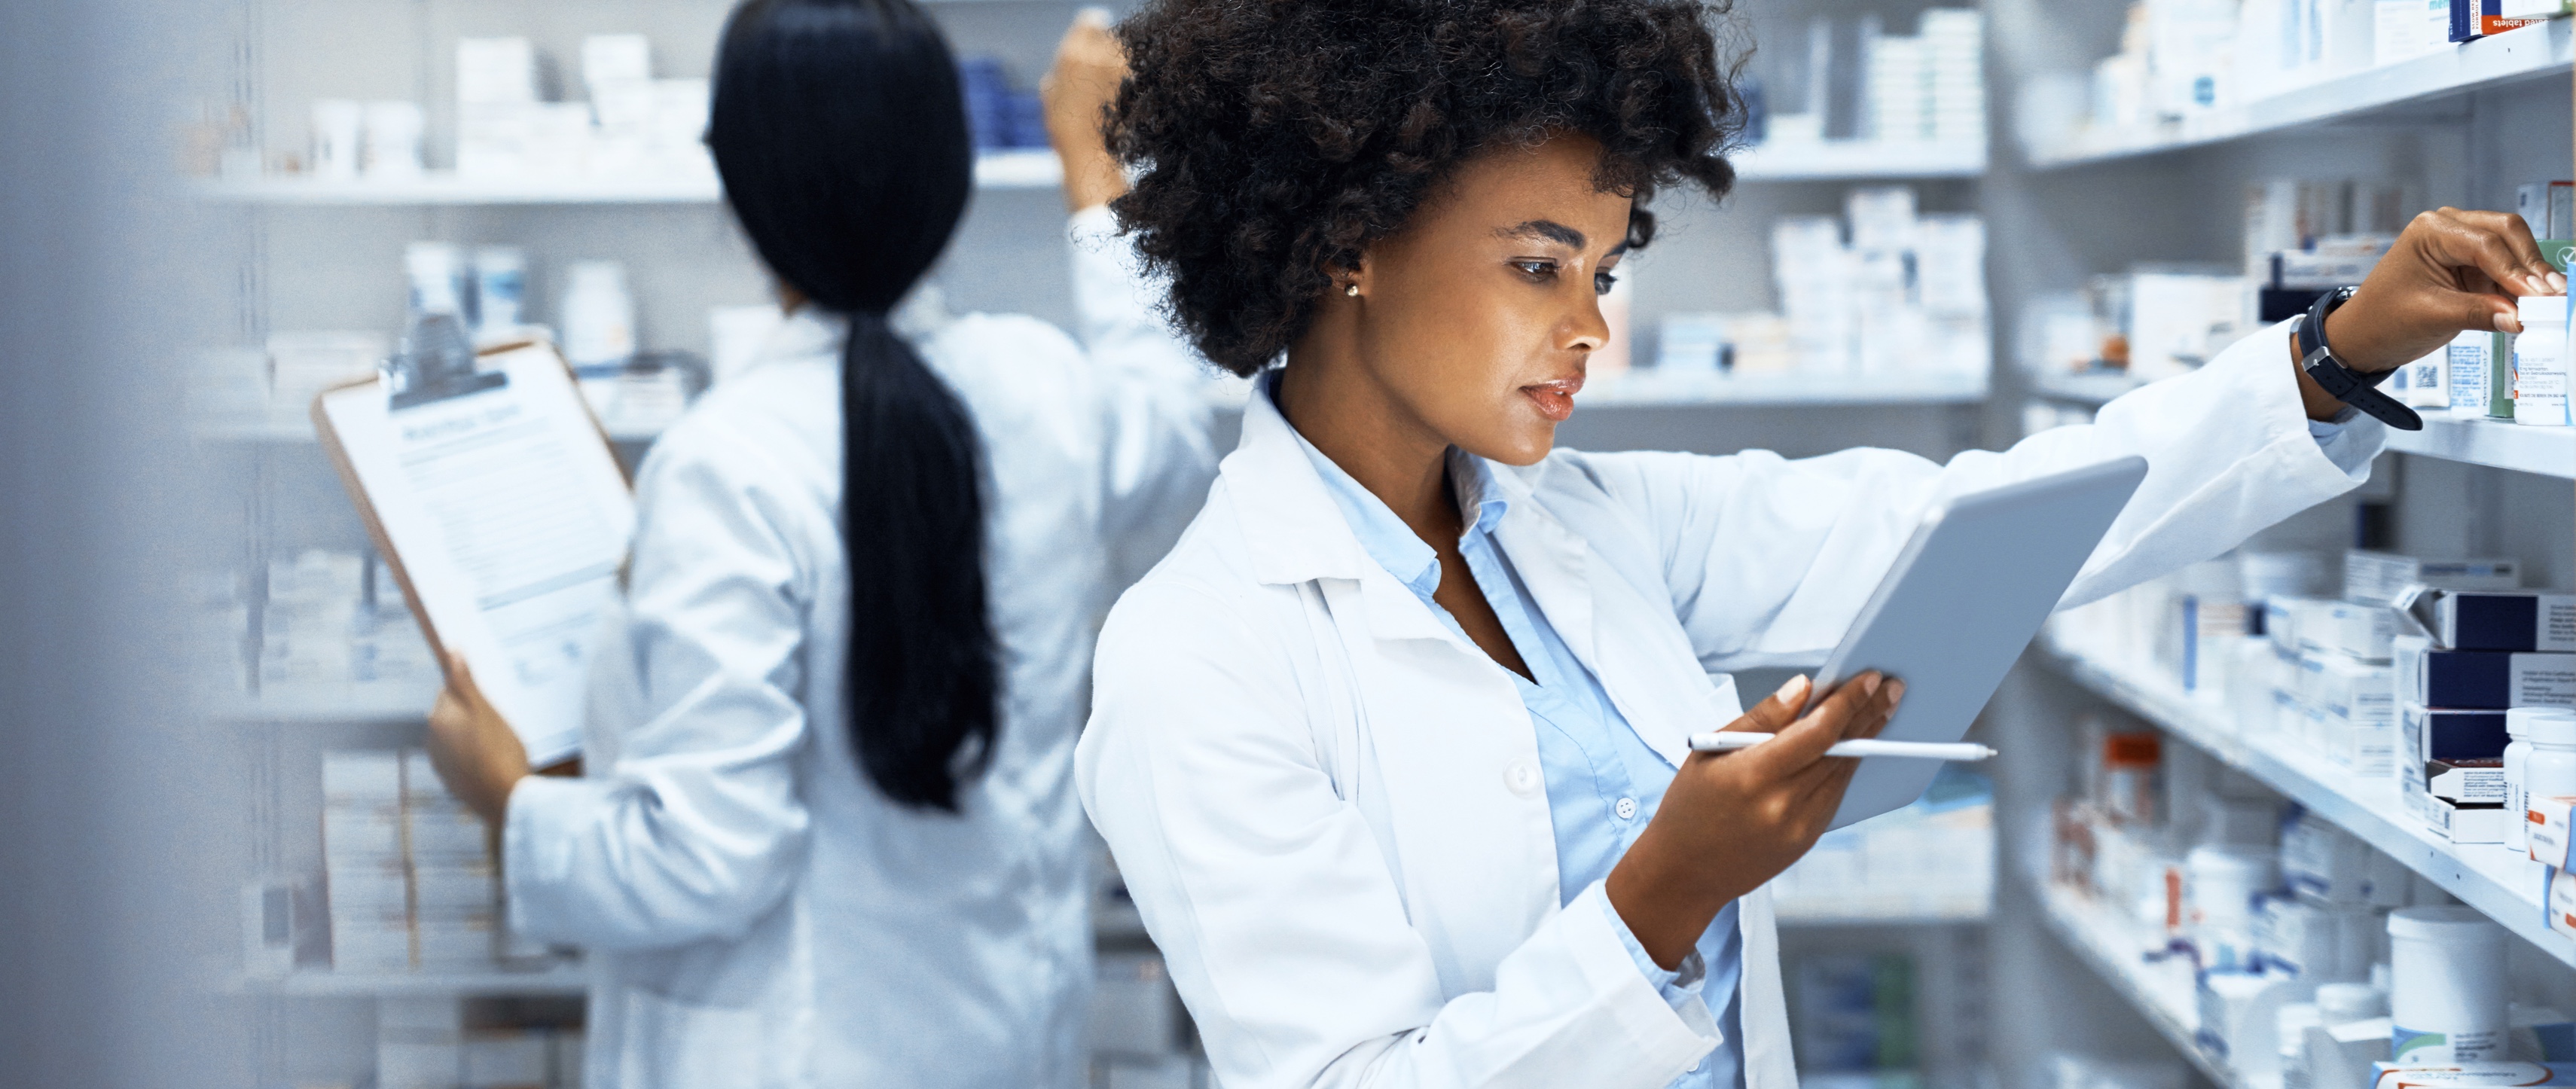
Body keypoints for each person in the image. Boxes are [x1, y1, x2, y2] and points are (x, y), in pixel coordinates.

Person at [1073, 1, 2566, 1087]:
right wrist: (1668, 889)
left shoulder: (1587, 527)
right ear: (1347, 244)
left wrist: (2336, 352)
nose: (1591, 327)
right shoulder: (1198, 654)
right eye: (1539, 267)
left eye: (1603, 268)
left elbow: (1977, 524)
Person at [417, 4, 1215, 1086]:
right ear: (950, 170)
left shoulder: (728, 461)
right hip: (1002, 1041)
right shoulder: (1043, 393)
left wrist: (509, 797)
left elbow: (706, 859)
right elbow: (1168, 418)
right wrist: (1093, 161)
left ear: (739, 186)